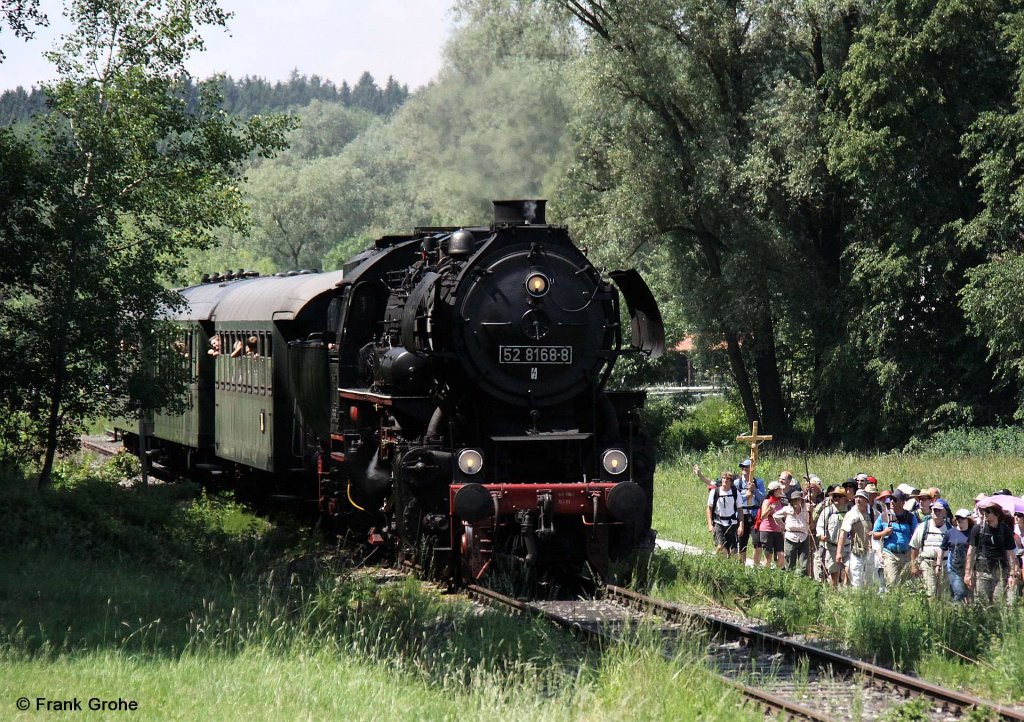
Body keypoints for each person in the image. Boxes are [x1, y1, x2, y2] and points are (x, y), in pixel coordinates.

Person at [966, 501, 1018, 604]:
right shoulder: (977, 529)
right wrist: (967, 574)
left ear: (997, 514)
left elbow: (1010, 554)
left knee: (998, 601)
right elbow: (970, 552)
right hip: (982, 571)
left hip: (1000, 572)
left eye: (988, 511)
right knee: (982, 602)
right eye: (984, 511)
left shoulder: (1005, 531)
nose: (984, 514)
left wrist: (1012, 575)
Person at [872, 490, 918, 588]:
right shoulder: (884, 516)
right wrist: (884, 533)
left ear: (903, 502)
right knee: (892, 583)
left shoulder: (910, 517)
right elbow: (874, 535)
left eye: (895, 500)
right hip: (890, 554)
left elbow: (916, 536)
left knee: (906, 585)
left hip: (906, 554)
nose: (892, 502)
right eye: (891, 499)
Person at [909, 502, 950, 598]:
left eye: (939, 510)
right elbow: (914, 547)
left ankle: (941, 612)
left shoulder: (949, 528)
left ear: (944, 513)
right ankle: (931, 611)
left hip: (944, 565)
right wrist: (914, 565)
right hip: (927, 563)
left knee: (943, 594)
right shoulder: (922, 527)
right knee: (930, 593)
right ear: (931, 512)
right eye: (934, 510)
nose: (936, 512)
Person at [836, 490, 873, 588]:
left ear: (866, 500)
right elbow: (843, 533)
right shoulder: (851, 514)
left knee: (869, 581)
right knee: (856, 582)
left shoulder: (872, 513)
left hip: (870, 552)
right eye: (856, 497)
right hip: (857, 552)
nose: (858, 499)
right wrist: (839, 552)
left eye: (861, 497)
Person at [938, 509, 973, 602]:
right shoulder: (950, 532)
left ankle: (961, 613)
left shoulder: (972, 533)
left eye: (962, 518)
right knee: (960, 593)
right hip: (954, 568)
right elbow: (942, 548)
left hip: (969, 569)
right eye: (957, 517)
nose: (959, 520)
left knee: (969, 595)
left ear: (968, 520)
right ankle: (956, 612)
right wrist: (938, 564)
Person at [707, 471, 743, 558]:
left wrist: (741, 526)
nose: (725, 480)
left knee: (732, 550)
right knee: (720, 546)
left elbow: (740, 510)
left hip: (732, 523)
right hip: (718, 522)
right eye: (723, 478)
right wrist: (709, 524)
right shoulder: (714, 492)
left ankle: (729, 568)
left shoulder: (735, 493)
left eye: (727, 479)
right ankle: (715, 560)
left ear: (731, 481)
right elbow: (709, 508)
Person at [818, 487, 849, 587]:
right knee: (833, 573)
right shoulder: (828, 511)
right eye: (834, 496)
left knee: (848, 569)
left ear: (844, 498)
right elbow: (820, 525)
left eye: (839, 496)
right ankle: (834, 592)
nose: (836, 498)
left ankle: (846, 590)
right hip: (832, 547)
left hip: (848, 546)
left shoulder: (850, 511)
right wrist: (821, 535)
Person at [773, 490, 810, 574]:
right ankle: (790, 581)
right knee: (790, 562)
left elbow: (811, 520)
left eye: (799, 499)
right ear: (791, 501)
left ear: (802, 500)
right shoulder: (787, 509)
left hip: (803, 537)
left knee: (804, 564)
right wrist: (783, 526)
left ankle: (803, 581)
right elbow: (776, 516)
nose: (797, 501)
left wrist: (810, 511)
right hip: (790, 536)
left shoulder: (806, 509)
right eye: (795, 499)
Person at [757, 481, 787, 568]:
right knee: (768, 557)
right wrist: (769, 509)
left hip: (777, 531)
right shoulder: (767, 501)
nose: (781, 491)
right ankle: (766, 577)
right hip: (767, 530)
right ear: (775, 491)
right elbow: (763, 517)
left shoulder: (779, 502)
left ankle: (776, 575)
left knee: (781, 556)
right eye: (779, 489)